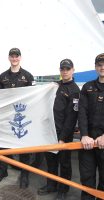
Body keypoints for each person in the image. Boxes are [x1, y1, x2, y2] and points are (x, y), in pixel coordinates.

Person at [0, 47, 34, 188]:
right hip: (6, 116)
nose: (14, 58)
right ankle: (2, 171)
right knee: (3, 145)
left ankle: (24, 175)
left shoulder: (28, 76)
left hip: (22, 116)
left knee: (23, 147)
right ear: (9, 58)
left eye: (17, 56)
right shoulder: (3, 76)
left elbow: (34, 97)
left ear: (20, 58)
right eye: (12, 56)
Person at [38, 59, 80, 200]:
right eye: (62, 69)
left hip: (64, 135)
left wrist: (62, 138)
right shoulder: (55, 86)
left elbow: (72, 118)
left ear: (73, 70)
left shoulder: (75, 90)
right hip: (50, 131)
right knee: (51, 161)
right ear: (60, 71)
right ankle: (51, 185)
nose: (65, 71)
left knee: (65, 163)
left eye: (68, 69)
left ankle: (63, 189)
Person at [78, 53, 104, 200]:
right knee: (87, 178)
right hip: (88, 141)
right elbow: (82, 112)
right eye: (99, 65)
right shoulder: (88, 87)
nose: (102, 67)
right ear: (95, 67)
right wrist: (84, 135)